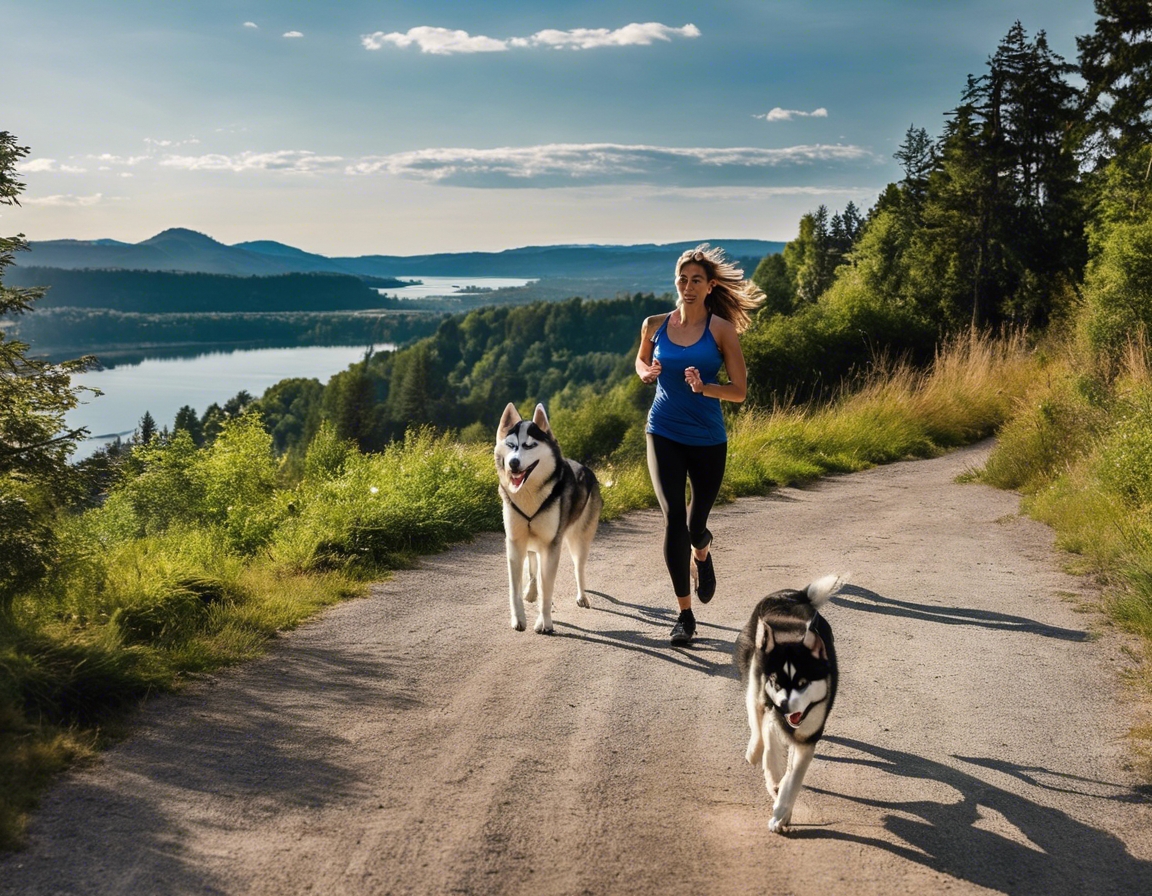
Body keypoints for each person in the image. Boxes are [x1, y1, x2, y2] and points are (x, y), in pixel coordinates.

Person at [635, 244, 764, 645]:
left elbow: (739, 391)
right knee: (674, 517)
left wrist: (704, 387)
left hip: (708, 439)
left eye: (696, 281)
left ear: (709, 287)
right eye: (682, 279)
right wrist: (646, 372)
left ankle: (703, 552)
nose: (687, 287)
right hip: (663, 430)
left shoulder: (721, 329)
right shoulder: (654, 325)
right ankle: (685, 615)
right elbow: (640, 361)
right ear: (675, 282)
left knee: (694, 526)